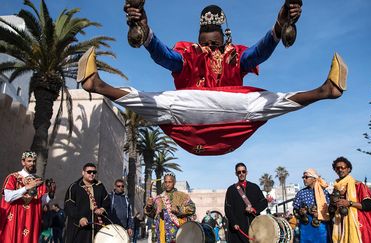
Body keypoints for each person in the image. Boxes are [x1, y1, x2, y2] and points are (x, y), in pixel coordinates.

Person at [76, 3, 348, 156]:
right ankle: (98, 85)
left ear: (224, 39)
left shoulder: (235, 55)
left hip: (232, 114)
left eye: (216, 44)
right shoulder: (189, 54)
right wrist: (145, 32)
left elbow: (259, 52)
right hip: (190, 112)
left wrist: (280, 24)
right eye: (205, 43)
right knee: (159, 102)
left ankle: (326, 90)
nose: (210, 49)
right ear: (198, 41)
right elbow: (164, 57)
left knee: (263, 101)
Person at [0, 151, 55, 243]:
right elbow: (8, 197)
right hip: (15, 220)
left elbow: (41, 200)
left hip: (31, 220)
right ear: (23, 162)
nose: (32, 164)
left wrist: (51, 194)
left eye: (34, 161)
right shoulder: (13, 177)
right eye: (29, 161)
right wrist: (26, 187)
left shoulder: (38, 180)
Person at [331, 156, 371, 243]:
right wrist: (333, 204)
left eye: (343, 167)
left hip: (357, 225)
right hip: (340, 225)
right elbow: (332, 210)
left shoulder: (358, 185)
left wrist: (349, 203)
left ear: (349, 169)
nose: (340, 170)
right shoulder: (336, 188)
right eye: (337, 168)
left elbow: (368, 206)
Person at [63, 163, 110, 243]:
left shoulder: (100, 186)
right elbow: (69, 205)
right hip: (79, 227)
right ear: (83, 172)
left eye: (94, 172)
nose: (92, 174)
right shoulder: (74, 187)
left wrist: (102, 209)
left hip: (96, 226)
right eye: (89, 172)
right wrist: (80, 218)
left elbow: (107, 200)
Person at [144, 172, 196, 243]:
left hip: (179, 235)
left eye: (170, 182)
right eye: (165, 182)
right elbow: (153, 215)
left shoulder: (182, 196)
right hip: (162, 235)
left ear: (174, 182)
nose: (167, 184)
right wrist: (149, 207)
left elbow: (192, 208)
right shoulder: (158, 198)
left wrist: (179, 210)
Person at [224, 162, 268, 242]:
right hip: (237, 229)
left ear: (246, 172)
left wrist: (254, 209)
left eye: (243, 171)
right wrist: (234, 223)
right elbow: (228, 208)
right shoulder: (231, 190)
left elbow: (264, 202)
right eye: (239, 172)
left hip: (254, 227)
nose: (241, 174)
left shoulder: (254, 187)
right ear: (236, 174)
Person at [293, 168, 330, 243]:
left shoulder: (324, 192)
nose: (304, 179)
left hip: (321, 225)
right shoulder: (301, 193)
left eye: (306, 177)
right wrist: (300, 212)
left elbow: (330, 209)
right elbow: (295, 210)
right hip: (306, 226)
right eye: (303, 177)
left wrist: (319, 213)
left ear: (314, 179)